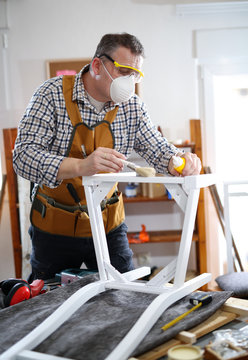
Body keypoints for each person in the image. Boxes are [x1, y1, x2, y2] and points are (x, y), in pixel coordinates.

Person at [13, 33, 201, 282]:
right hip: (53, 228)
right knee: (49, 301)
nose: (130, 81)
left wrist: (182, 160)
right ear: (97, 65)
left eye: (135, 74)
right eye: (124, 71)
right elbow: (23, 156)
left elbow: (158, 150)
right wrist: (81, 166)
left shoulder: (132, 107)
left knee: (124, 297)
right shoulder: (51, 95)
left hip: (108, 225)